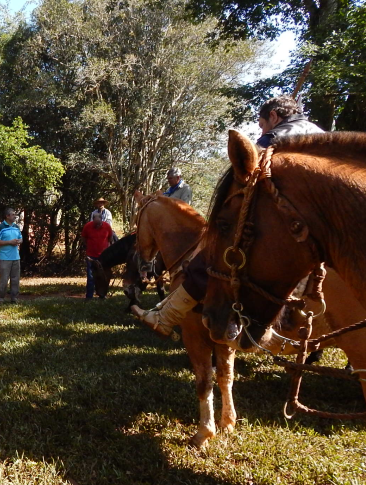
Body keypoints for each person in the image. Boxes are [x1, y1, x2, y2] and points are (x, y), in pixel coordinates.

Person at [131, 96, 323, 336]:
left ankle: (167, 317)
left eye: (262, 124)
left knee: (211, 258)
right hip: (316, 227)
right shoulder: (321, 135)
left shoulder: (276, 136)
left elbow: (245, 172)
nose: (262, 130)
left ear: (274, 116)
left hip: (279, 224)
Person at [256, 95, 323, 148]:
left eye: (262, 125)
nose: (262, 133)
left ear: (273, 116)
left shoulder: (271, 139)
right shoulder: (323, 136)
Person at [81, 211, 114, 300]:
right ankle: (89, 297)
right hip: (91, 255)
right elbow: (84, 238)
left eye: (98, 224)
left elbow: (110, 238)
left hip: (103, 256)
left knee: (103, 276)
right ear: (93, 221)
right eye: (95, 224)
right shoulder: (88, 226)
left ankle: (102, 295)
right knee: (91, 277)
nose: (97, 226)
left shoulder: (107, 227)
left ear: (101, 221)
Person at [0, 208, 23, 303]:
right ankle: (1, 298)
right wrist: (9, 242)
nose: (15, 216)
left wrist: (19, 241)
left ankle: (14, 298)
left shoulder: (16, 227)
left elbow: (20, 238)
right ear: (7, 216)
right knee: (4, 278)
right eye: (13, 214)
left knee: (15, 279)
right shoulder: (0, 227)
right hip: (5, 257)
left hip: (16, 257)